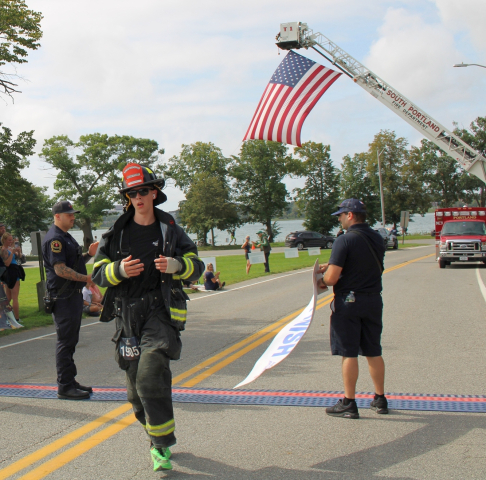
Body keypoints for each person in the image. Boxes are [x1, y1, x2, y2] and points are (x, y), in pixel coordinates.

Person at [92, 163, 204, 472]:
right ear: (128, 198)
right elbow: (98, 273)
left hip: (161, 312)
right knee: (135, 393)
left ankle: (161, 445)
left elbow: (198, 265)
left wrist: (177, 265)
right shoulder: (117, 233)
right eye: (132, 193)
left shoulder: (170, 229)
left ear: (154, 193)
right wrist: (119, 270)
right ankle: (154, 435)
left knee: (150, 372)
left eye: (143, 191)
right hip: (127, 316)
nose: (138, 197)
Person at [318, 198, 387, 419]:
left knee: (349, 353)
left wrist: (322, 278)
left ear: (350, 215)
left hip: (349, 302)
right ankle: (380, 398)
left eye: (340, 215)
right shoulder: (377, 238)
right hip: (373, 299)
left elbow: (331, 279)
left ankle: (349, 402)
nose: (339, 219)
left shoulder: (344, 241)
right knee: (373, 350)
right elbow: (362, 263)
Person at [42, 201, 99, 400]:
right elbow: (60, 270)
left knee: (71, 340)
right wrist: (87, 279)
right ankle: (65, 386)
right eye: (69, 214)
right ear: (57, 216)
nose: (73, 217)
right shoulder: (55, 240)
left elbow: (72, 264)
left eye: (73, 214)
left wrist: (88, 255)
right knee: (65, 341)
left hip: (71, 296)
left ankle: (70, 379)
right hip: (64, 296)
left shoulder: (65, 237)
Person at [0, 232, 24, 326]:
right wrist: (12, 253)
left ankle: (4, 316)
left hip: (14, 271)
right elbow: (7, 263)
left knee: (8, 298)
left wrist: (18, 252)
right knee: (15, 298)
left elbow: (20, 258)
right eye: (9, 240)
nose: (11, 242)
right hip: (11, 273)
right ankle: (17, 319)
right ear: (4, 240)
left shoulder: (10, 248)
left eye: (12, 240)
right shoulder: (3, 250)